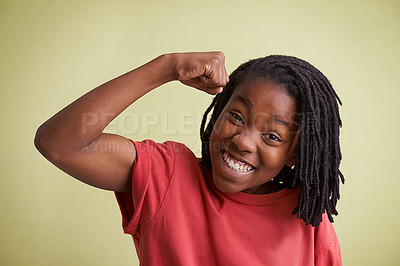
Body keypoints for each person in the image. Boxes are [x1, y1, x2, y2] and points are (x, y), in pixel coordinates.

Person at [35, 51, 344, 265]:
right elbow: (60, 144)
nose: (243, 140)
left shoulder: (309, 219)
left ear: (294, 155)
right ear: (218, 110)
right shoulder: (168, 174)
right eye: (236, 116)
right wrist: (167, 66)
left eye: (273, 136)